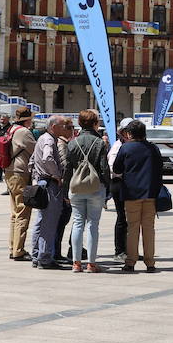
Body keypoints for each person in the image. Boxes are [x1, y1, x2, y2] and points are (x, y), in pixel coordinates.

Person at [113, 119, 163, 272]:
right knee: (149, 228)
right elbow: (160, 167)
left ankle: (131, 261)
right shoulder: (153, 148)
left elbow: (117, 168)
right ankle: (150, 262)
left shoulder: (126, 148)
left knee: (132, 228)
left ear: (129, 133)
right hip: (150, 193)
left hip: (131, 192)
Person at [66, 109, 110, 272]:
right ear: (94, 124)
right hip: (95, 187)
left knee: (77, 223)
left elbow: (67, 169)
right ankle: (91, 263)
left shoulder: (72, 142)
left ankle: (76, 263)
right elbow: (104, 168)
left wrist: (65, 190)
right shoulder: (99, 143)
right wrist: (107, 187)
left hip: (76, 187)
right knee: (93, 224)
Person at [30, 115, 70, 268]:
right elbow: (47, 158)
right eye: (61, 126)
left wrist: (36, 177)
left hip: (42, 182)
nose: (64, 128)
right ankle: (45, 258)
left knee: (41, 222)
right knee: (49, 223)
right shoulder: (49, 140)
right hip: (50, 184)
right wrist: (57, 175)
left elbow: (32, 161)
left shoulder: (41, 138)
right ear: (53, 127)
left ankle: (36, 255)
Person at [4, 107, 37, 261]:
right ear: (26, 119)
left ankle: (13, 247)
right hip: (20, 173)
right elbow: (36, 150)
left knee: (14, 212)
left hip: (10, 172)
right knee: (23, 212)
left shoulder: (11, 129)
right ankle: (18, 250)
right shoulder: (24, 132)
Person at [109, 118, 133, 263]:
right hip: (119, 183)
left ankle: (129, 249)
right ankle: (120, 251)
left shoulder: (131, 146)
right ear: (123, 133)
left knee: (131, 219)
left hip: (130, 184)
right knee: (122, 218)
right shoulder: (118, 146)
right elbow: (113, 167)